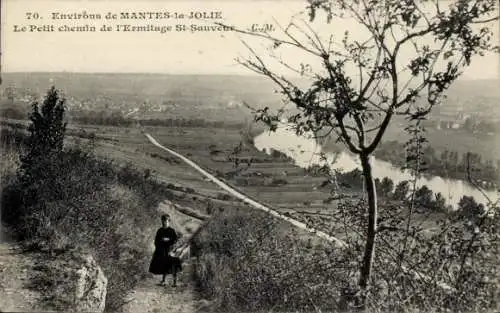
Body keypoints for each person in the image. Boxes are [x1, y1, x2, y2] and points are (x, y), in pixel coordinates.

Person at [148, 214, 179, 286]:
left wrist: (169, 240)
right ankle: (163, 281)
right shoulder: (160, 230)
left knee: (173, 265)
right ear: (162, 221)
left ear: (169, 221)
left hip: (170, 250)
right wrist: (160, 245)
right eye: (164, 221)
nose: (165, 222)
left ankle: (175, 282)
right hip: (162, 250)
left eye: (167, 221)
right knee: (164, 265)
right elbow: (156, 241)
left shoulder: (172, 230)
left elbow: (175, 240)